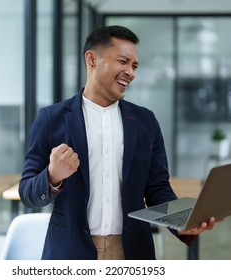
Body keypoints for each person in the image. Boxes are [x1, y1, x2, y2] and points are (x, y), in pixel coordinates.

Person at [19, 25, 220, 260]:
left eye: (134, 66)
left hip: (131, 252)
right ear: (92, 59)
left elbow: (157, 189)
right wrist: (52, 176)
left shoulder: (146, 121)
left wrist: (181, 223)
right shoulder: (51, 119)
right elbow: (27, 193)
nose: (131, 72)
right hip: (70, 252)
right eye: (123, 61)